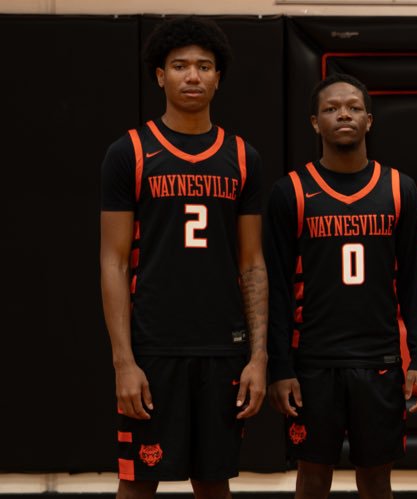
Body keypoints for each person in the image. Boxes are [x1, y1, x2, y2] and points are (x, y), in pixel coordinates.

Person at [99, 16, 267, 499]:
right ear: (159, 76)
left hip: (222, 346)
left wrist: (257, 357)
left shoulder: (241, 157)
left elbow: (252, 264)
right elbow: (113, 262)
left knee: (214, 485)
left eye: (204, 66)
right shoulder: (128, 152)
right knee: (137, 484)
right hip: (153, 348)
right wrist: (123, 362)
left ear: (218, 77)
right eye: (180, 66)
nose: (192, 76)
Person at [263, 74, 417, 499]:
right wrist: (280, 367)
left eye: (354, 108)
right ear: (315, 123)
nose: (344, 114)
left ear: (369, 121)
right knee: (312, 478)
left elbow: (413, 281)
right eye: (332, 108)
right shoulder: (291, 191)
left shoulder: (399, 189)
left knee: (376, 481)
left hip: (379, 360)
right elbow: (278, 290)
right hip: (313, 362)